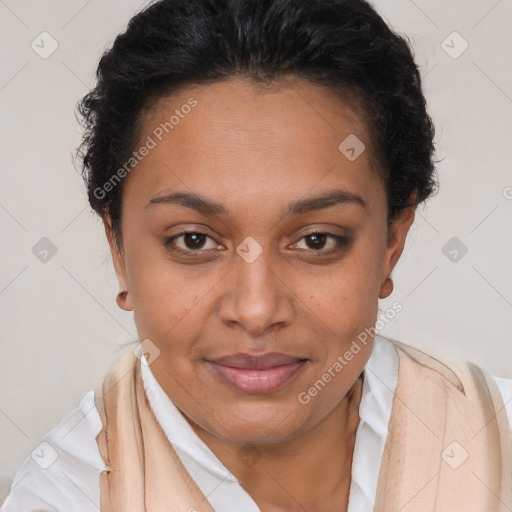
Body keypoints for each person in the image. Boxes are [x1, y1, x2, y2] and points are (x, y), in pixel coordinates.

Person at [2, 0, 511, 510]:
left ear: (392, 239)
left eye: (317, 239)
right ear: (119, 248)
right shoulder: (63, 495)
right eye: (194, 240)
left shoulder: (496, 446)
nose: (256, 310)